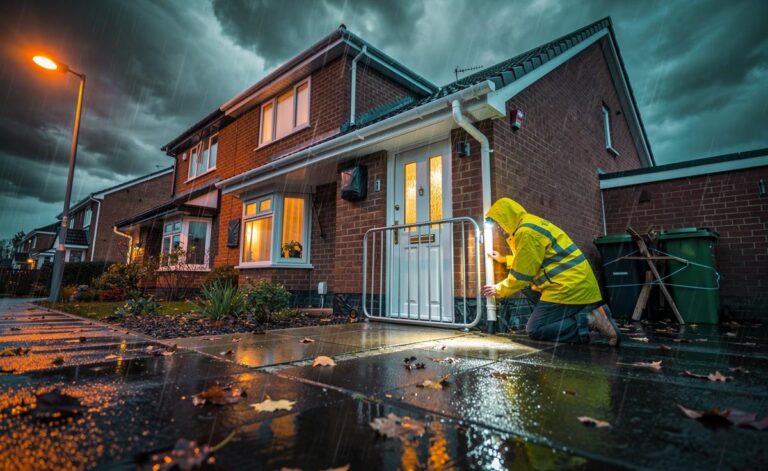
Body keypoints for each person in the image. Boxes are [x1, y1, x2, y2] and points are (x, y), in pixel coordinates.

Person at [481, 198, 621, 346]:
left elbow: (522, 275)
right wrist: (506, 260)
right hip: (574, 281)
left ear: (507, 217)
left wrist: (499, 289)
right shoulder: (529, 224)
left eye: (499, 223)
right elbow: (534, 259)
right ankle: (567, 317)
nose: (499, 229)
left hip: (568, 285)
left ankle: (588, 321)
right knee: (527, 287)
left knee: (535, 329)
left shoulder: (526, 233)